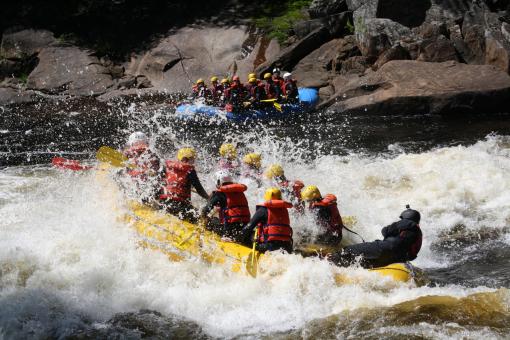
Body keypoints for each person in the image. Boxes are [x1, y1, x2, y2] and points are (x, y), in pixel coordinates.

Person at [329, 206, 422, 268]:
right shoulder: (418, 233)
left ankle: (327, 261)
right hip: (397, 258)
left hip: (384, 249)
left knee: (346, 251)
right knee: (363, 263)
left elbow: (385, 231)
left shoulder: (408, 223)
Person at [159, 147, 209, 222]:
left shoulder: (167, 167)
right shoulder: (190, 171)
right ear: (185, 159)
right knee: (200, 218)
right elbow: (199, 189)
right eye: (192, 159)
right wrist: (208, 198)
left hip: (164, 202)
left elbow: (160, 181)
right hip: (180, 205)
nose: (194, 162)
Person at [201, 171, 251, 241]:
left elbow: (205, 210)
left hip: (228, 232)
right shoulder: (239, 192)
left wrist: (203, 220)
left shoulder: (219, 194)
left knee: (212, 220)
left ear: (219, 182)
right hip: (244, 229)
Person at [242, 187, 293, 253]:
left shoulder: (263, 210)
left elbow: (248, 228)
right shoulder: (284, 210)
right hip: (287, 248)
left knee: (248, 239)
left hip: (270, 247)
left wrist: (240, 239)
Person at [121, 131, 162, 201]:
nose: (138, 146)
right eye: (136, 144)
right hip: (147, 189)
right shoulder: (152, 153)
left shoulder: (128, 154)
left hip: (140, 188)